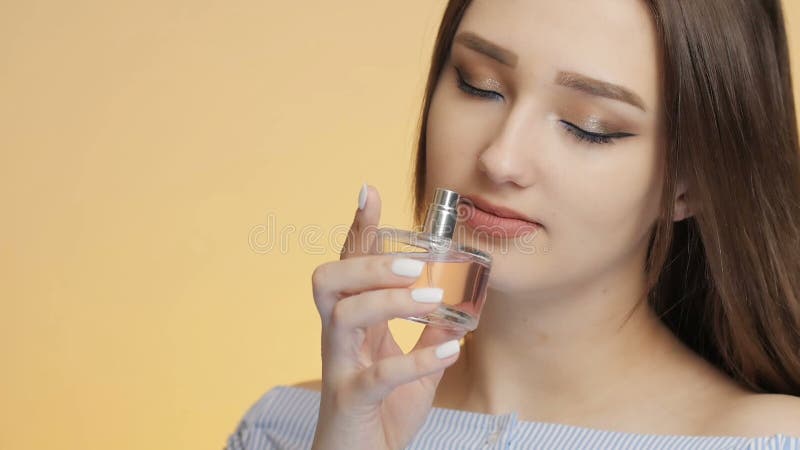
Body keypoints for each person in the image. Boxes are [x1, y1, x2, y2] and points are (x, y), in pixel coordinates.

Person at [227, 0, 800, 448]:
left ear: (690, 183)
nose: (500, 158)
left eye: (589, 125)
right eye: (479, 84)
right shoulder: (287, 430)